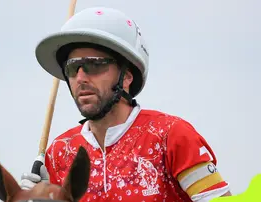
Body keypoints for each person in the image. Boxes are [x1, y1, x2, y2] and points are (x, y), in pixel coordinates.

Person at [20, 7, 232, 202]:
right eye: (72, 68)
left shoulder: (171, 136)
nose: (81, 78)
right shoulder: (59, 152)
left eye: (94, 64)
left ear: (127, 77)